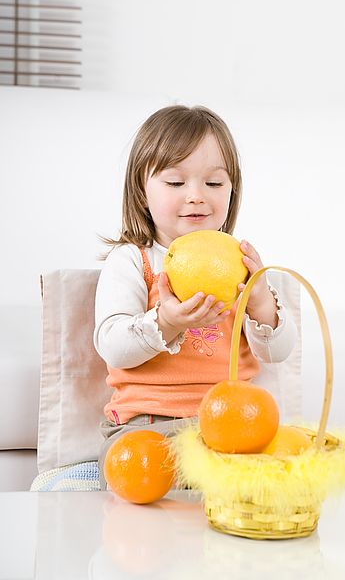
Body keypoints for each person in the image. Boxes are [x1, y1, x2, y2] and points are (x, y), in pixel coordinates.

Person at [94, 105, 297, 489]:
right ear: (142, 191)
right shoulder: (132, 261)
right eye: (175, 183)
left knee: (281, 467)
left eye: (214, 184)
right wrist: (166, 322)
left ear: (232, 191)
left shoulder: (238, 263)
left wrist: (260, 306)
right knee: (135, 470)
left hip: (231, 425)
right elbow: (113, 347)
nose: (196, 197)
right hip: (149, 427)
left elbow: (278, 353)